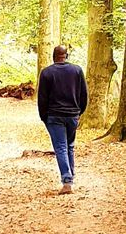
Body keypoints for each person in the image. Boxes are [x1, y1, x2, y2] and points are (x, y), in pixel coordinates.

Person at [37, 45, 88, 194]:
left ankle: (67, 181)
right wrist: (80, 112)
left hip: (54, 115)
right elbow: (83, 94)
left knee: (61, 147)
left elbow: (42, 98)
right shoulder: (77, 70)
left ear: (54, 56)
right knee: (69, 146)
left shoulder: (46, 73)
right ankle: (70, 178)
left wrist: (44, 117)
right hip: (72, 115)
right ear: (66, 55)